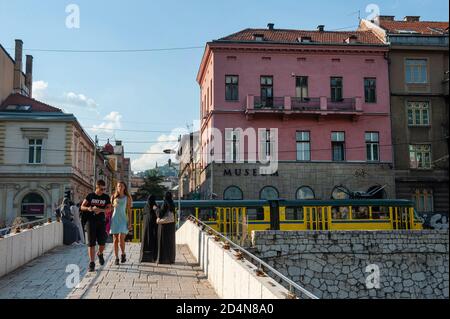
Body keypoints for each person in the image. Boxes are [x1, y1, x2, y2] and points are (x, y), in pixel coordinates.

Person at [81, 180, 111, 272]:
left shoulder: (106, 197)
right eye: (101, 189)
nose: (103, 191)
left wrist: (100, 210)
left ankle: (100, 253)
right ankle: (92, 263)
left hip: (101, 222)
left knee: (102, 242)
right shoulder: (90, 196)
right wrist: (89, 208)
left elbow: (109, 209)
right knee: (91, 243)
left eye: (104, 189)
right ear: (97, 187)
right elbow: (82, 207)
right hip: (90, 221)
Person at [110, 182, 133, 265]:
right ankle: (116, 258)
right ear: (117, 187)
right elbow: (110, 210)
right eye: (119, 186)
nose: (120, 187)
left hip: (123, 219)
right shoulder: (113, 197)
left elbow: (129, 211)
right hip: (115, 219)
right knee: (115, 239)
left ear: (124, 188)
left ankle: (123, 253)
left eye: (122, 186)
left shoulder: (127, 198)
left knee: (121, 238)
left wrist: (130, 223)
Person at [156, 191, 176, 265]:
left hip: (164, 227)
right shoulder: (172, 204)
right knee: (170, 243)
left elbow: (160, 214)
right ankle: (171, 259)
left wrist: (156, 209)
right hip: (171, 226)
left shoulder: (165, 203)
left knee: (163, 243)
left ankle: (164, 259)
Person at [140, 195, 159, 263]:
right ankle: (152, 257)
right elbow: (158, 214)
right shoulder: (154, 206)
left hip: (145, 229)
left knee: (145, 242)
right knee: (153, 242)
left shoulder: (145, 206)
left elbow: (141, 217)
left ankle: (144, 258)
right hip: (153, 229)